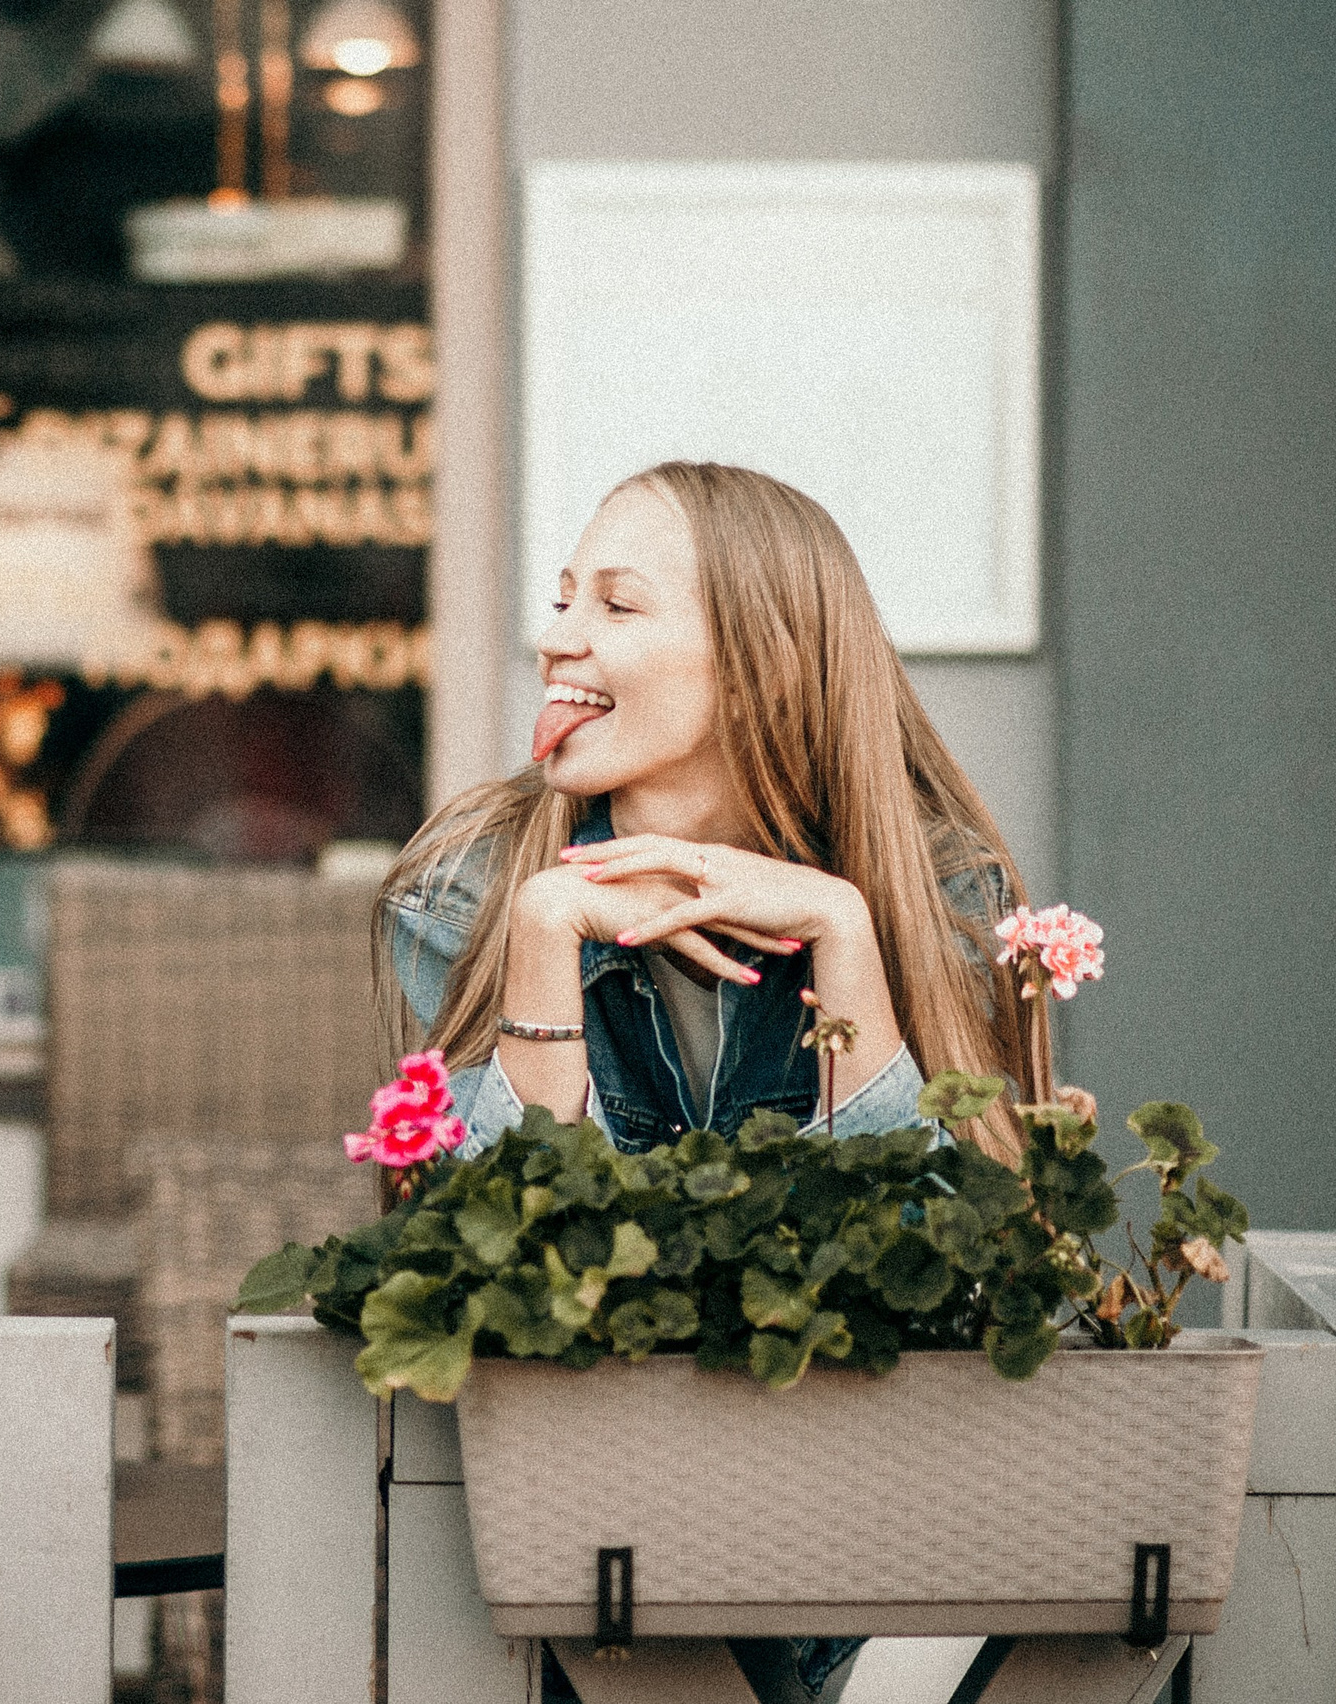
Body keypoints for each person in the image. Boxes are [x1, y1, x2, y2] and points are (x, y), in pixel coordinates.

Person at [379, 461, 1039, 1704]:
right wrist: (543, 936)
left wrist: (844, 942)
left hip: (883, 1569)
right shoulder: (467, 888)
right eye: (565, 597)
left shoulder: (936, 894)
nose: (556, 636)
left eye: (616, 608)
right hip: (566, 1585)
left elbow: (948, 1283)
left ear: (762, 665)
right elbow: (481, 1280)